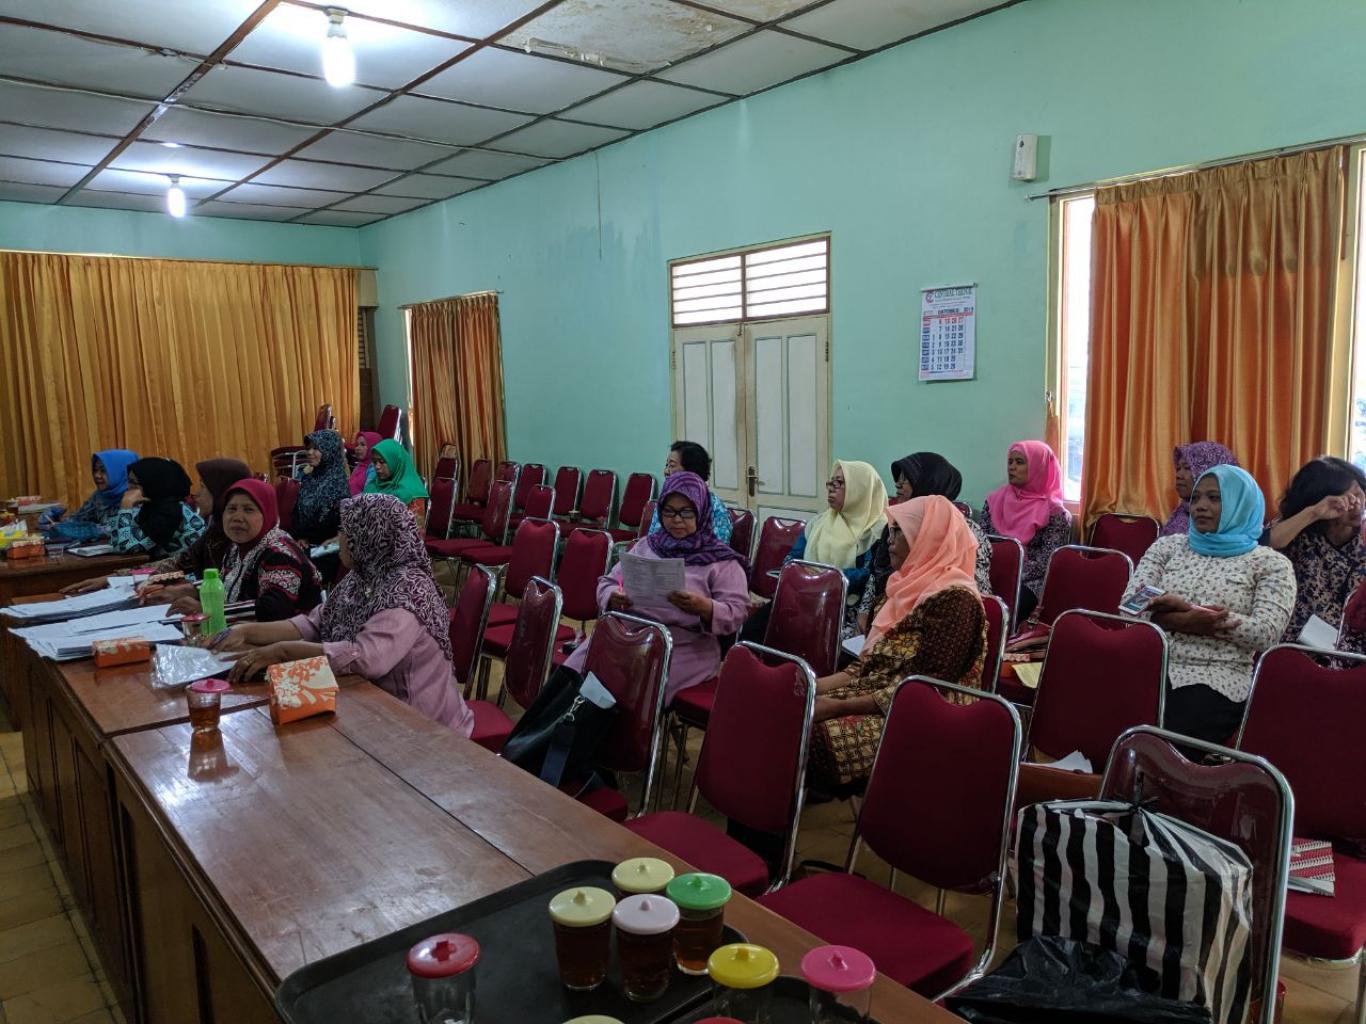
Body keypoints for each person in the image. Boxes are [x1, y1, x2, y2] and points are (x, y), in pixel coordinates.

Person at [219, 493, 473, 734]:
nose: (338, 538)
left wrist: (283, 651)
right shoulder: (361, 577)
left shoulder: (409, 591)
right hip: (370, 705)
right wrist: (246, 631)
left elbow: (367, 659)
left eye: (344, 530)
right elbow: (313, 624)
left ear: (368, 536)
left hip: (421, 724)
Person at [809, 496, 986, 790]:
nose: (889, 541)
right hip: (881, 695)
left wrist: (837, 707)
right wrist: (812, 685)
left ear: (925, 537)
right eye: (890, 531)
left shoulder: (956, 601)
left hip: (929, 715)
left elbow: (925, 688)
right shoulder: (901, 588)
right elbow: (865, 667)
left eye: (898, 532)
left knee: (816, 738)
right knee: (792, 708)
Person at [1129, 465, 1296, 744]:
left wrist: (1197, 617)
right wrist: (1186, 620)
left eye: (1214, 498)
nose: (1200, 506)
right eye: (1196, 498)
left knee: (1161, 739)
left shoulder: (1270, 564)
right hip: (1149, 663)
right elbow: (1129, 606)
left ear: (1240, 504)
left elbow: (1266, 633)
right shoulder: (1168, 547)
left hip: (1217, 676)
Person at [563, 471, 749, 704]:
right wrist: (613, 595)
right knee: (576, 671)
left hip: (683, 647)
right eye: (669, 511)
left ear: (701, 511)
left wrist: (705, 607)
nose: (677, 520)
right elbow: (607, 582)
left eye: (686, 512)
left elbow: (737, 611)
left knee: (627, 683)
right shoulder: (647, 546)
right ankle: (567, 722)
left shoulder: (721, 561)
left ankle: (607, 724)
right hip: (628, 636)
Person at [62, 457, 248, 597]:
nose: (196, 494)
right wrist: (113, 578)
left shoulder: (172, 513)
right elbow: (176, 563)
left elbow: (126, 546)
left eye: (203, 487)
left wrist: (125, 508)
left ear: (220, 492)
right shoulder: (215, 531)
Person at [857, 452, 992, 632]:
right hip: (890, 612)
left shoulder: (963, 531)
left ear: (929, 483)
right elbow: (876, 576)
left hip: (938, 622)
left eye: (907, 479)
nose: (898, 484)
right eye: (898, 478)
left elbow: (976, 591)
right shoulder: (895, 524)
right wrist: (865, 612)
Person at [169, 479, 321, 622]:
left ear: (267, 513)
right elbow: (227, 583)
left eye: (248, 510)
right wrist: (184, 590)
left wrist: (209, 610)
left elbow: (273, 609)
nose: (237, 517)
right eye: (231, 509)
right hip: (244, 633)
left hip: (290, 638)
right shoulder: (237, 547)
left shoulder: (280, 554)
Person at [1261, 456, 1366, 641]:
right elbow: (1266, 543)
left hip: (1350, 646)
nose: (1357, 504)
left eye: (1359, 494)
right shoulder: (1300, 530)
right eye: (1346, 499)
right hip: (1294, 641)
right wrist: (1314, 513)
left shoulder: (1363, 537)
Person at [977, 441, 1071, 622]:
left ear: (1038, 467)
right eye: (1010, 462)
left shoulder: (1055, 513)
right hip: (989, 572)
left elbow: (1046, 562)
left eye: (1019, 462)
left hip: (1029, 581)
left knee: (1006, 608)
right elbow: (982, 542)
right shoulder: (994, 501)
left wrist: (1010, 575)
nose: (1011, 467)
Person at [106, 457, 205, 558]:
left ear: (152, 484)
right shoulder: (153, 506)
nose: (129, 487)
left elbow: (124, 548)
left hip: (189, 567)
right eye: (129, 481)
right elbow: (116, 542)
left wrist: (126, 506)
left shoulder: (170, 513)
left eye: (134, 482)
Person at [647, 441, 733, 544]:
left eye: (672, 466)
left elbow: (717, 548)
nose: (666, 471)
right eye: (666, 465)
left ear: (691, 471)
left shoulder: (715, 508)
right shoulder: (664, 503)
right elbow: (652, 540)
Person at [1161, 442, 1239, 536]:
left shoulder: (1238, 526)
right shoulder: (1180, 517)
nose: (1178, 475)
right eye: (1178, 469)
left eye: (1187, 468)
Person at [291, 430, 351, 545]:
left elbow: (328, 525)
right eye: (308, 448)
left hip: (325, 547)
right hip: (302, 542)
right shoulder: (309, 479)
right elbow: (296, 514)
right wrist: (299, 537)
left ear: (329, 450)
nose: (309, 452)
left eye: (316, 448)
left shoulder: (338, 485)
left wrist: (307, 539)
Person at [62, 449, 140, 528]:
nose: (97, 475)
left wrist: (126, 506)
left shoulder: (138, 501)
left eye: (103, 471)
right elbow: (78, 519)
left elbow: (125, 532)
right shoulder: (100, 496)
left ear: (121, 472)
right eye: (95, 470)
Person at [364, 439, 430, 521]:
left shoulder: (412, 493)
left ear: (395, 461)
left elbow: (416, 527)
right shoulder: (372, 486)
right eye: (374, 462)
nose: (377, 467)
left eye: (382, 462)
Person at [348, 431, 382, 495]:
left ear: (373, 446)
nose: (357, 448)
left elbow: (368, 495)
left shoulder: (374, 469)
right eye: (357, 445)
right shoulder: (359, 466)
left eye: (362, 445)